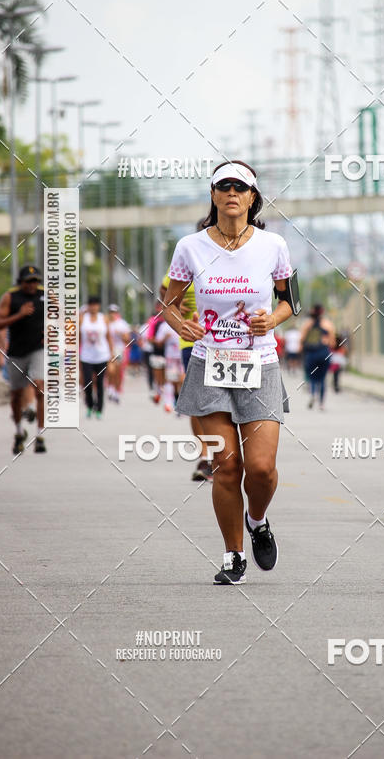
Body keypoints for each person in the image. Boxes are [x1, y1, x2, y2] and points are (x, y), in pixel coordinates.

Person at [162, 160, 296, 585]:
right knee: (226, 466)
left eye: (241, 186)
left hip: (260, 364)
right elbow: (168, 304)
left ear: (253, 197)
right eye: (224, 186)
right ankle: (233, 555)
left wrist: (271, 321)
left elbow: (289, 302)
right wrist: (179, 323)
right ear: (214, 195)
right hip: (209, 363)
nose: (232, 192)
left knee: (261, 469)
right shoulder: (190, 247)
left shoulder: (273, 245)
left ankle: (257, 520)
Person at [161, 273, 212, 483]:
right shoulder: (191, 258)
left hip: (230, 343)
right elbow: (165, 291)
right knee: (199, 400)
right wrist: (175, 309)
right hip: (193, 341)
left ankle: (226, 456)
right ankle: (205, 458)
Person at [0, 265, 46, 454]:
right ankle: (19, 431)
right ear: (21, 282)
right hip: (16, 352)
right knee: (16, 395)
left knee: (40, 387)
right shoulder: (10, 297)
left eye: (35, 281)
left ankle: (40, 435)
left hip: (38, 349)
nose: (33, 285)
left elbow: (63, 317)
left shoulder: (45, 295)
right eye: (29, 282)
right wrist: (19, 315)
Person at [80, 296, 113, 419]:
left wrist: (111, 355)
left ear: (98, 306)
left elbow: (109, 337)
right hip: (86, 356)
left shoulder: (103, 318)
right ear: (88, 306)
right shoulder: (82, 319)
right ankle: (89, 405)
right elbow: (77, 338)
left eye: (95, 304)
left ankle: (99, 408)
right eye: (91, 304)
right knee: (87, 382)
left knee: (100, 383)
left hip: (101, 356)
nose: (93, 307)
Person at [301, 305, 335, 410]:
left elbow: (301, 340)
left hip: (311, 354)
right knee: (322, 379)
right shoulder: (328, 324)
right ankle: (321, 403)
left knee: (312, 378)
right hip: (324, 353)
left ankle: (312, 394)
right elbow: (332, 343)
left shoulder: (307, 325)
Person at [154, 320, 184, 412]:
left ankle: (180, 401)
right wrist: (165, 338)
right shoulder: (164, 326)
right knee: (171, 380)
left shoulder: (184, 321)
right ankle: (169, 403)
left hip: (183, 355)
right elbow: (158, 342)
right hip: (170, 356)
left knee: (182, 379)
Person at [107, 304, 131, 403]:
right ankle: (110, 388)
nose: (112, 314)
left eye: (114, 312)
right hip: (107, 349)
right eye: (111, 312)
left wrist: (120, 334)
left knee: (117, 371)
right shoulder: (106, 322)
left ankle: (116, 391)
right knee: (110, 371)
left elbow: (127, 339)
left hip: (118, 349)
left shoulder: (122, 324)